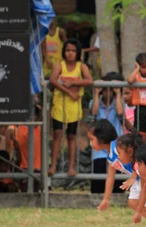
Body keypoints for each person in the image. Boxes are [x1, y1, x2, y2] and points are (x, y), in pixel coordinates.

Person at [88, 120, 146, 227]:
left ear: (101, 138)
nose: (90, 143)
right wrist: (106, 199)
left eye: (92, 139)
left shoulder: (118, 148)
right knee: (133, 203)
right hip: (139, 179)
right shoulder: (110, 154)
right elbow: (110, 177)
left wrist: (132, 177)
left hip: (145, 177)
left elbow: (137, 157)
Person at [49, 39, 93, 177]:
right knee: (57, 134)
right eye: (68, 50)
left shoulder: (81, 67)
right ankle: (53, 165)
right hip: (60, 104)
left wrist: (74, 83)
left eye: (73, 51)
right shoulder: (59, 65)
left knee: (72, 136)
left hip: (74, 106)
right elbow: (52, 80)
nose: (70, 53)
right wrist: (68, 90)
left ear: (78, 52)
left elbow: (89, 80)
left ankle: (71, 167)